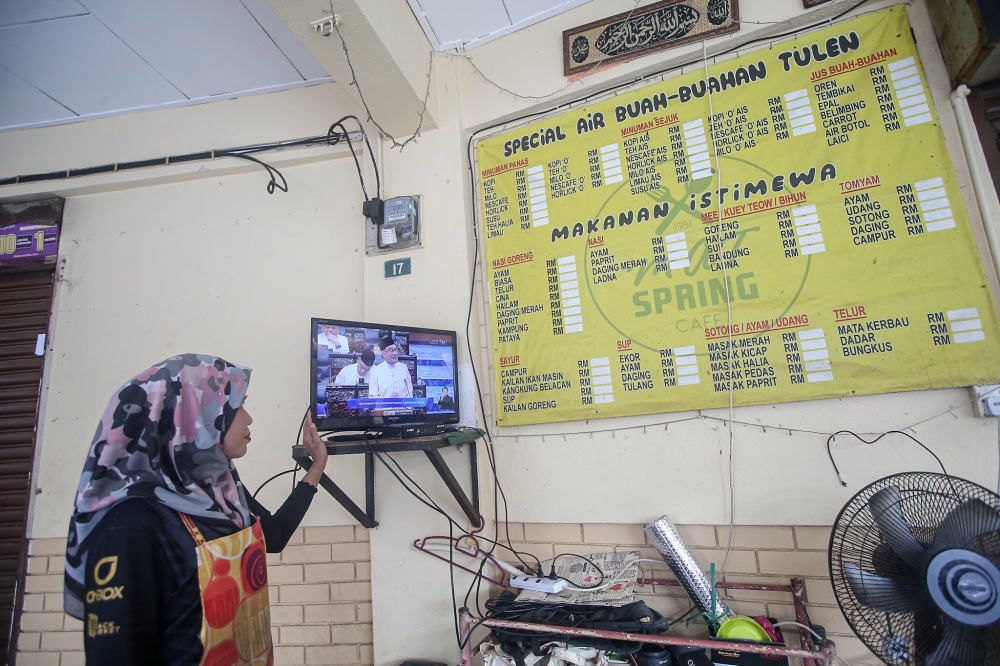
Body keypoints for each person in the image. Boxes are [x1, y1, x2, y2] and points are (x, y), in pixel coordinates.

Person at [64, 354, 330, 665]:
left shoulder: (221, 491)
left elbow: (275, 536)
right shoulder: (128, 526)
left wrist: (317, 466)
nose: (248, 419)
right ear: (190, 414)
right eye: (237, 407)